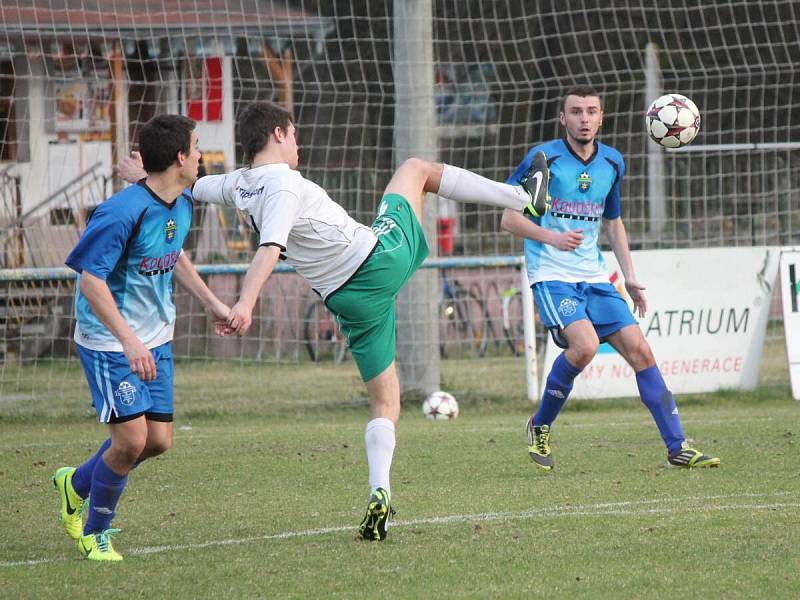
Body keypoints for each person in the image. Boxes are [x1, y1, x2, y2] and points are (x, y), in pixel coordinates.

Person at [120, 100, 550, 541]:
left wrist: (146, 180)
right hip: (376, 262)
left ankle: (380, 492)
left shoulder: (238, 185)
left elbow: (194, 187)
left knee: (385, 401)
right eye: (295, 134)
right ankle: (524, 197)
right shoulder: (283, 186)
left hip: (346, 301)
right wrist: (245, 302)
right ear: (279, 135)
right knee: (416, 169)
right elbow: (270, 247)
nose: (299, 144)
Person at [501, 85, 720, 471]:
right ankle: (540, 425)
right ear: (562, 118)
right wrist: (551, 236)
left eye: (591, 111)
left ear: (601, 118)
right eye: (576, 112)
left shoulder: (613, 162)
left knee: (641, 352)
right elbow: (508, 217)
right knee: (584, 346)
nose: (584, 119)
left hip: (595, 276)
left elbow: (613, 223)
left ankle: (678, 447)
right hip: (551, 274)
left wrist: (630, 277)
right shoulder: (543, 159)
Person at [53, 115, 231, 561]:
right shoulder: (118, 212)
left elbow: (173, 255)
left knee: (158, 442)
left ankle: (74, 484)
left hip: (156, 336)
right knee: (131, 440)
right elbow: (91, 282)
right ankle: (96, 533)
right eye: (196, 146)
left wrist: (212, 303)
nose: (200, 154)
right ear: (179, 158)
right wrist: (129, 341)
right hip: (110, 341)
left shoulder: (182, 200)